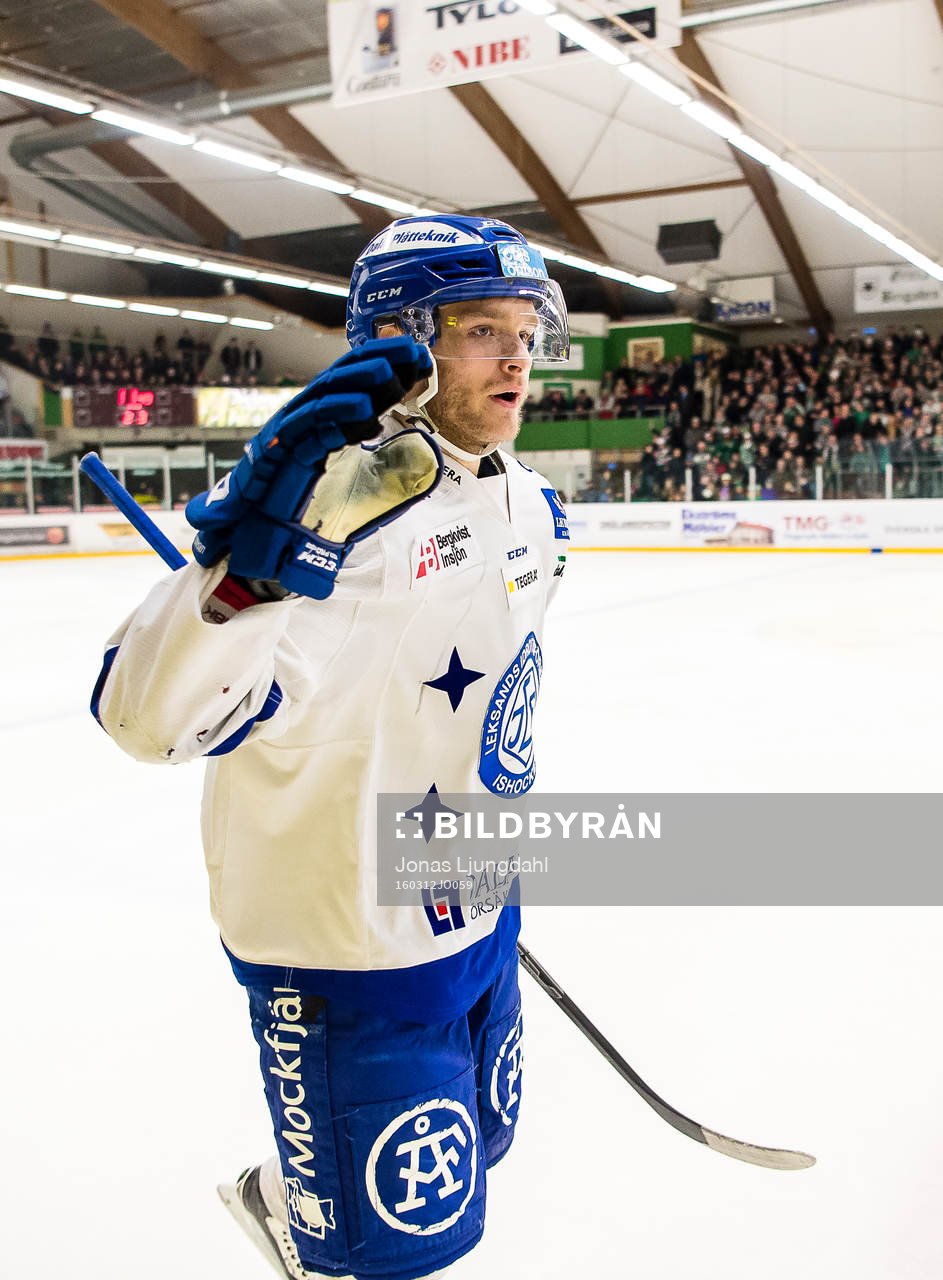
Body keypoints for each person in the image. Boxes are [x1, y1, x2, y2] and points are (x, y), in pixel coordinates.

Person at [92, 215, 571, 1280]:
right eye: (482, 330)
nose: (517, 357)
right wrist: (251, 569)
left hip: (474, 905)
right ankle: (307, 1225)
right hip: (348, 944)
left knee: (484, 1144)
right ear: (402, 340)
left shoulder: (533, 505)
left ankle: (305, 1205)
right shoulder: (331, 518)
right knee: (393, 1249)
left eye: (525, 330)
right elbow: (146, 718)